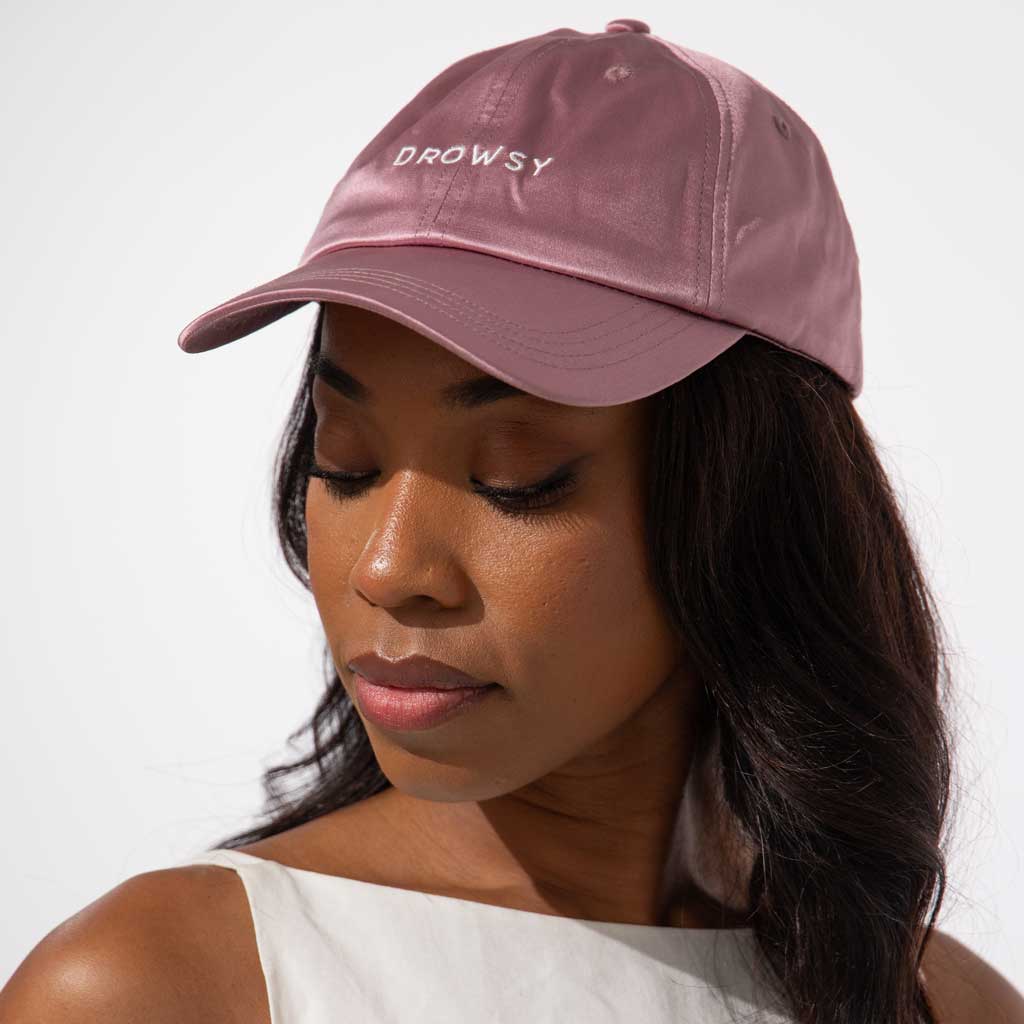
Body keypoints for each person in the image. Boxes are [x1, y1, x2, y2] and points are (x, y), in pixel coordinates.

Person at [3, 17, 1023, 1024]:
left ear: (753, 511)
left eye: (515, 479)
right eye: (343, 460)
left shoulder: (940, 1005)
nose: (390, 568)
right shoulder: (157, 989)